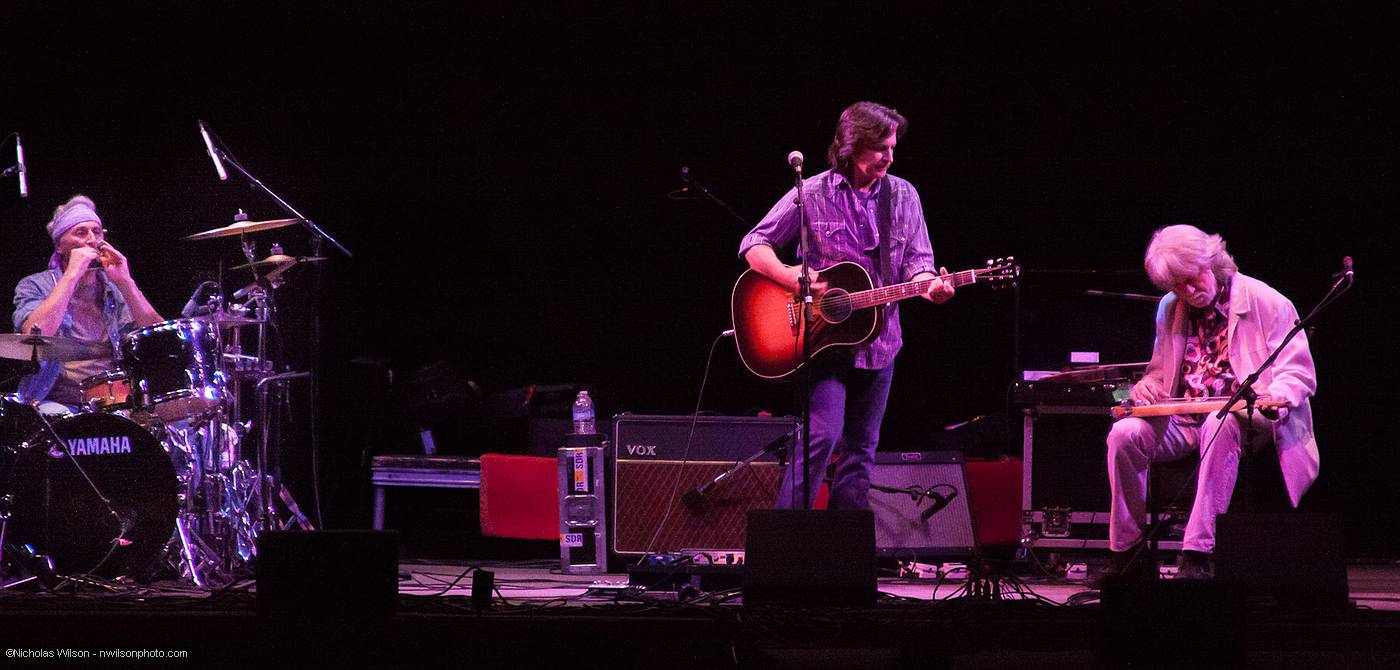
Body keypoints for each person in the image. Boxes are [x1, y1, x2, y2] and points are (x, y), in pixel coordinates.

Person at [738, 101, 955, 510]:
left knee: (861, 453)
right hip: (825, 342)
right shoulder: (813, 192)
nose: (890, 157)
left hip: (882, 344)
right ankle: (787, 544)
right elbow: (754, 245)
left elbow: (918, 266)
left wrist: (931, 287)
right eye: (880, 149)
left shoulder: (904, 196)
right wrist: (793, 277)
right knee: (822, 437)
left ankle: (844, 555)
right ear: (852, 146)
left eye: (893, 147)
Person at [1099, 224, 1318, 582]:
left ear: (1211, 261)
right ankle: (1129, 553)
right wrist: (1144, 388)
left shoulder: (1266, 300)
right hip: (1183, 420)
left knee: (1219, 422)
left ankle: (1196, 552)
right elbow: (1158, 372)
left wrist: (1278, 395)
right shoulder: (1170, 308)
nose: (1188, 291)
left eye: (1191, 279)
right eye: (1176, 286)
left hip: (1249, 418)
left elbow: (1298, 372)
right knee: (1123, 433)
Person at [13, 195, 164, 414]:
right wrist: (72, 274)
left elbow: (158, 338)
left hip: (115, 402)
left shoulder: (112, 287)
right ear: (59, 246)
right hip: (54, 402)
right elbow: (34, 334)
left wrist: (125, 281)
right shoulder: (34, 285)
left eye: (97, 231)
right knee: (55, 421)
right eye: (81, 232)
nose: (92, 239)